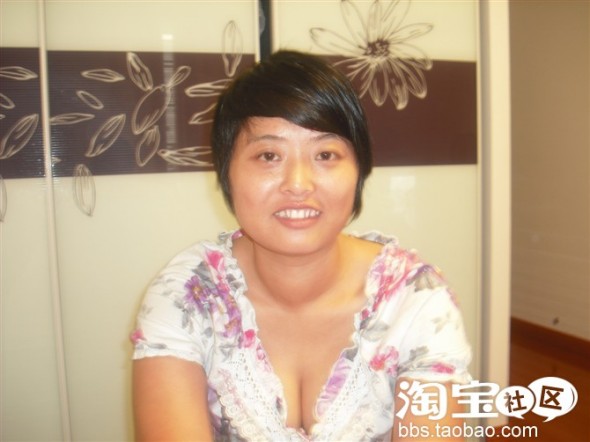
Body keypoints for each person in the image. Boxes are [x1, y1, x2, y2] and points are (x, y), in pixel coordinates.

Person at [131, 50, 472, 441]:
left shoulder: (414, 302)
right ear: (226, 172)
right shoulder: (188, 296)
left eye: (325, 155)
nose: (298, 183)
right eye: (269, 155)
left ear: (359, 171)